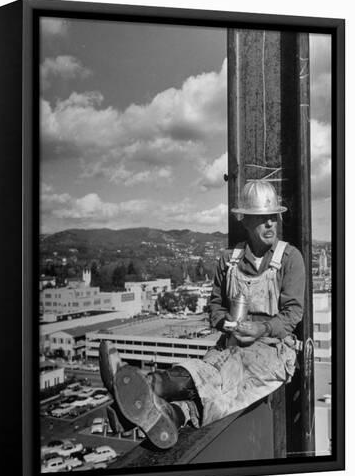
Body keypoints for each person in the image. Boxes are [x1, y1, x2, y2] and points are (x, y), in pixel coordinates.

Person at [99, 180, 305, 449]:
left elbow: (293, 314)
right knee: (211, 374)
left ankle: (146, 387)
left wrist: (261, 329)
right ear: (245, 221)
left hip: (271, 350)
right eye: (261, 218)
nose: (270, 224)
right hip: (231, 344)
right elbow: (215, 307)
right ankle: (172, 415)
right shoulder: (229, 260)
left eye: (272, 217)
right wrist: (227, 323)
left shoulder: (289, 258)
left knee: (218, 377)